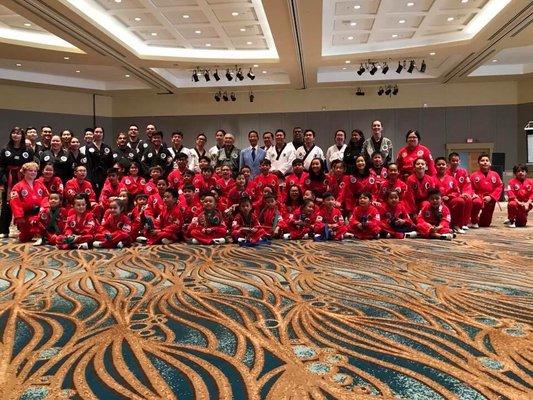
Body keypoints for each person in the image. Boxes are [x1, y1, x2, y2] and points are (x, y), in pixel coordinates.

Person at [0, 127, 35, 237]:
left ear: (22, 136)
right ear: (11, 135)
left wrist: (29, 178)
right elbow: (1, 166)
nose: (16, 135)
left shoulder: (28, 150)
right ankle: (4, 230)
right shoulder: (5, 149)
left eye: (18, 133)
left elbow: (31, 166)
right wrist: (3, 179)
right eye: (14, 133)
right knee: (7, 204)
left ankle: (26, 230)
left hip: (23, 178)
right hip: (9, 179)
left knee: (25, 202)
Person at [9, 161, 49, 242]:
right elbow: (14, 201)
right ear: (24, 172)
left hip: (39, 214)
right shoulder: (18, 186)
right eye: (30, 170)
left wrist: (44, 209)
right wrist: (19, 216)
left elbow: (46, 197)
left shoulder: (40, 184)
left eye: (35, 171)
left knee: (41, 231)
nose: (33, 172)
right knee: (24, 238)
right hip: (25, 215)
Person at [470, 153, 503, 228]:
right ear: (478, 163)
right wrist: (474, 195)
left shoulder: (495, 175)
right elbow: (469, 188)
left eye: (487, 160)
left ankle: (479, 220)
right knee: (476, 202)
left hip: (490, 199)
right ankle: (473, 220)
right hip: (478, 198)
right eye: (482, 160)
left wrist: (491, 197)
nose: (485, 162)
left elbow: (499, 186)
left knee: (485, 224)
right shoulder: (473, 175)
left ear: (490, 163)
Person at [433, 157, 466, 233]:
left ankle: (456, 225)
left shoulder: (452, 179)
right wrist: (439, 198)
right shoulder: (431, 178)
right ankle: (437, 225)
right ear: (435, 166)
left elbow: (457, 191)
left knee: (460, 201)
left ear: (446, 166)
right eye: (439, 164)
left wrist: (449, 196)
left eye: (443, 164)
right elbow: (430, 192)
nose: (441, 166)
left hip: (449, 200)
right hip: (436, 201)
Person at [84, 126, 115, 195]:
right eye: (96, 132)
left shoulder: (107, 147)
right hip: (94, 176)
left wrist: (111, 175)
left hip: (105, 175)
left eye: (100, 132)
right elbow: (88, 164)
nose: (98, 134)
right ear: (93, 134)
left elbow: (111, 163)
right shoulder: (89, 147)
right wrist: (89, 178)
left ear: (103, 134)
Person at [446, 152, 473, 230]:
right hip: (452, 195)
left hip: (462, 193)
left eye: (457, 161)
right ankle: (455, 222)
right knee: (459, 200)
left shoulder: (463, 172)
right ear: (449, 162)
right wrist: (457, 195)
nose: (455, 162)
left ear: (459, 161)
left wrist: (466, 193)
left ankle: (464, 222)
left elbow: (467, 184)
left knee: (468, 199)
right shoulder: (446, 172)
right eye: (453, 161)